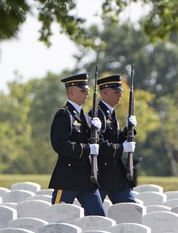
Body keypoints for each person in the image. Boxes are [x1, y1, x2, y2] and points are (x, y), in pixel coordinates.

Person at [49, 72, 105, 216]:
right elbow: (60, 145)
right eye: (82, 90)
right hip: (68, 178)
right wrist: (87, 149)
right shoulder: (64, 115)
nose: (87, 92)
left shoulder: (85, 116)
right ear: (72, 92)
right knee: (58, 218)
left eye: (87, 89)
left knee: (98, 218)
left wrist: (97, 130)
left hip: (87, 178)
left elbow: (94, 142)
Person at [91, 73, 137, 204]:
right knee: (95, 215)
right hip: (102, 174)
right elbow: (99, 143)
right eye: (116, 92)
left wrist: (128, 130)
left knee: (131, 210)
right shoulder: (97, 114)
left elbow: (115, 140)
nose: (120, 95)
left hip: (115, 174)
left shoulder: (110, 113)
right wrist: (122, 148)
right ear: (105, 93)